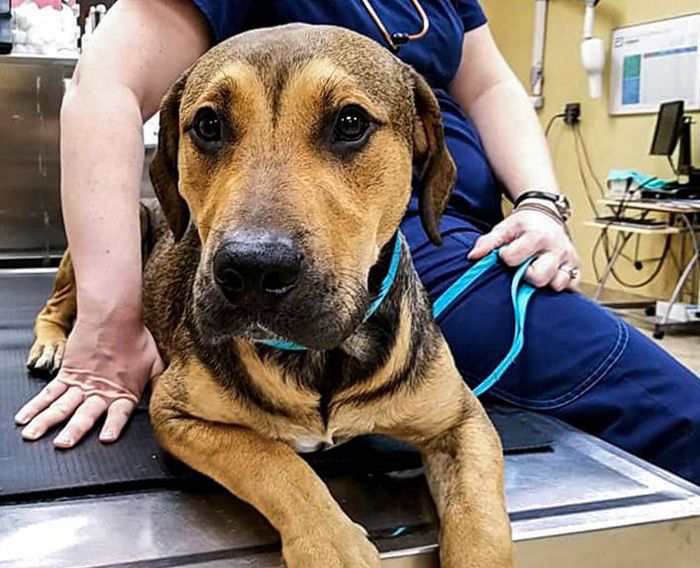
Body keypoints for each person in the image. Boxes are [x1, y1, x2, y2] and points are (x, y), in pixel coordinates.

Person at [14, 0, 700, 485]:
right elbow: (105, 83)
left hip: (471, 230)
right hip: (409, 247)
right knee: (683, 418)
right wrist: (107, 322)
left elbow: (490, 86)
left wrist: (543, 203)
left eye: (346, 125)